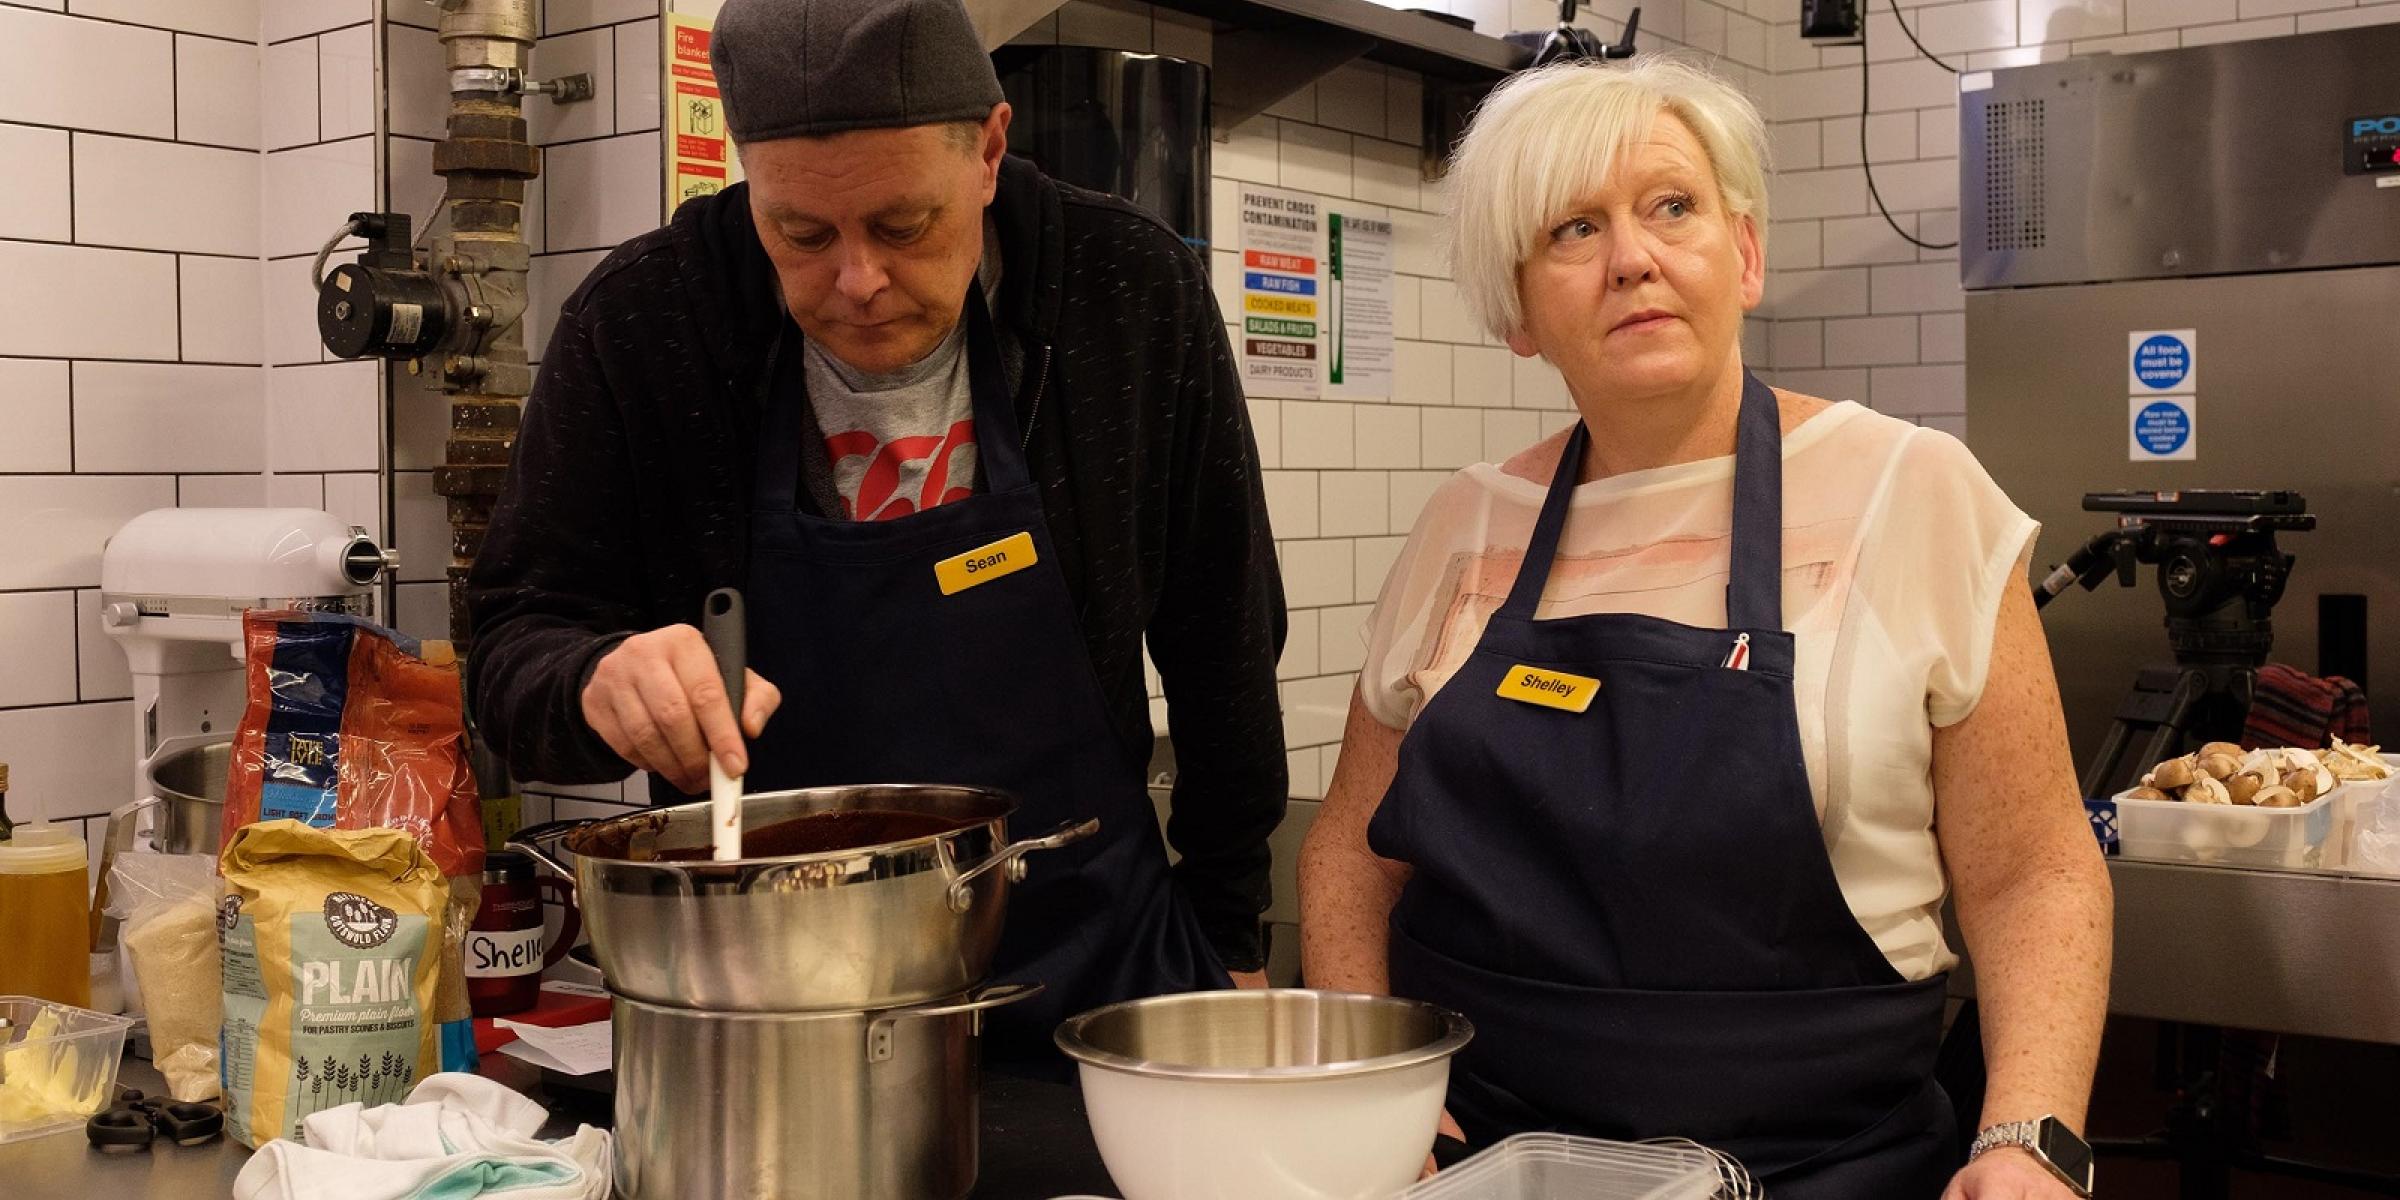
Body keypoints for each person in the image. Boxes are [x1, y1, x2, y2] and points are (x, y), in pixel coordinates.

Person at [1298, 58, 2111, 1198]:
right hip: (1490, 1167)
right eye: (1574, 227)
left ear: (1746, 253)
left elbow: (2034, 872)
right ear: (1518, 311)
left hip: (1821, 1171)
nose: (1633, 255)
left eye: (1671, 207)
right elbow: (1352, 848)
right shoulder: (1468, 528)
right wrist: (1366, 1076)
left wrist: (2029, 1139)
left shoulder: (1912, 495)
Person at [467, 0, 1288, 1052]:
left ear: (990, 151)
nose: (858, 281)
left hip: (1099, 996)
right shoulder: (645, 325)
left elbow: (1226, 650)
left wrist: (1234, 942)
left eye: (905, 225)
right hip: (767, 1026)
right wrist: (593, 679)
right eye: (800, 234)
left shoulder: (1125, 294)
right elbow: (509, 649)